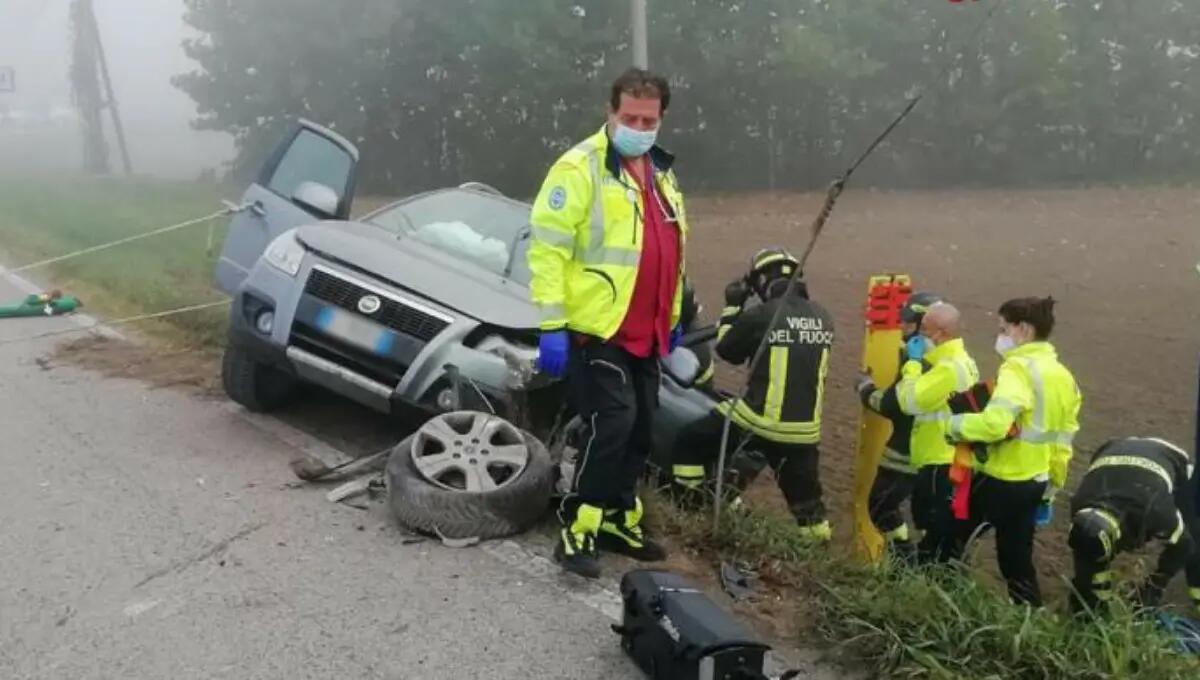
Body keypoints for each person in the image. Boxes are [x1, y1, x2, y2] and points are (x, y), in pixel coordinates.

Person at [528, 67, 689, 578]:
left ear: (661, 118)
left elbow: (671, 252)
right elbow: (548, 251)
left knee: (641, 427)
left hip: (647, 330)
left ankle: (619, 516)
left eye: (649, 118)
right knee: (611, 424)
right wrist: (552, 324)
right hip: (598, 328)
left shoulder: (662, 173)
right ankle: (580, 523)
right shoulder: (580, 169)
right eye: (629, 117)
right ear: (610, 113)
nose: (639, 127)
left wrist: (676, 314)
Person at [672, 247, 836, 542]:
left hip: (757, 421)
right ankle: (818, 558)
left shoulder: (763, 314)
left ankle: (689, 506)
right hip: (804, 434)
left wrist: (733, 305)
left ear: (761, 281)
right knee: (809, 508)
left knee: (689, 442)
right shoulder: (824, 317)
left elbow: (726, 350)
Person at [947, 297, 1082, 606]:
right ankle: (1028, 621)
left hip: (999, 479)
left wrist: (955, 426)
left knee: (949, 542)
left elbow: (995, 425)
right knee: (1016, 560)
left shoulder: (1017, 370)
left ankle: (942, 608)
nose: (1001, 336)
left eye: (1003, 328)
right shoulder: (1064, 378)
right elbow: (1063, 441)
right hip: (1033, 482)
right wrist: (1050, 489)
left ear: (1022, 329)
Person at [1067, 436, 1200, 616]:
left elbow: (1182, 545)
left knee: (1192, 531)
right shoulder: (1080, 505)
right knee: (1090, 559)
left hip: (1171, 457)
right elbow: (1085, 557)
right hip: (1113, 449)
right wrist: (1090, 600)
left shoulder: (1156, 508)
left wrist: (1153, 588)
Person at [856, 291, 944, 559]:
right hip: (936, 454)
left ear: (922, 325)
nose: (903, 328)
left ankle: (904, 560)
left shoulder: (916, 361)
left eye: (908, 322)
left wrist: (865, 389)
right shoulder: (948, 359)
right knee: (927, 517)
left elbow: (892, 405)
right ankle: (927, 567)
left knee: (881, 506)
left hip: (906, 452)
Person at [894, 302, 980, 564]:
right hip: (953, 459)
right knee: (941, 535)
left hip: (939, 462)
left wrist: (912, 364)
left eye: (925, 329)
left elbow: (908, 402)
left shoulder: (947, 369)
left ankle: (930, 581)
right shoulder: (964, 362)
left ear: (941, 334)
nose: (919, 334)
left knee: (933, 534)